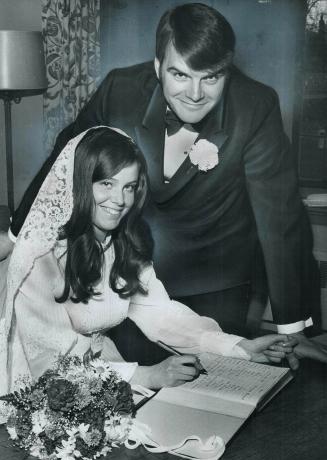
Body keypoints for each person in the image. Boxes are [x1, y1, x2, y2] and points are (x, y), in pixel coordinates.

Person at [0, 3, 325, 367]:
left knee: (216, 389)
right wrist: (16, 237)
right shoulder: (120, 89)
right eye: (181, 75)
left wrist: (291, 328)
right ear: (158, 67)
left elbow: (279, 219)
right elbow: (64, 157)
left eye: (211, 77)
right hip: (127, 268)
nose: (196, 93)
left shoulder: (255, 106)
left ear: (228, 72)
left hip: (213, 277)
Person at [0, 127, 293, 403]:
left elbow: (163, 315)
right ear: (80, 183)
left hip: (103, 376)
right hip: (33, 391)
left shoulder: (122, 244)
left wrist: (239, 347)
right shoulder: (38, 258)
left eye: (129, 187)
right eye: (106, 184)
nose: (119, 200)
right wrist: (148, 375)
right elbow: (51, 362)